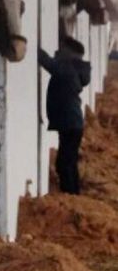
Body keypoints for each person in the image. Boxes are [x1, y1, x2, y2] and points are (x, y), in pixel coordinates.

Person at [38, 37, 91, 194]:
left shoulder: (67, 68)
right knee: (69, 162)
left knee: (64, 163)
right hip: (72, 123)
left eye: (61, 49)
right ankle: (74, 196)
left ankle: (70, 196)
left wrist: (30, 43)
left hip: (70, 124)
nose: (57, 51)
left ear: (69, 52)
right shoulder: (75, 68)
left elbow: (48, 63)